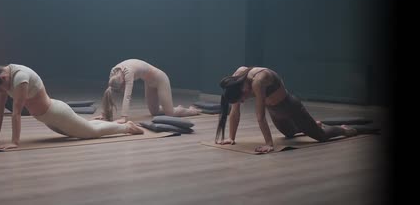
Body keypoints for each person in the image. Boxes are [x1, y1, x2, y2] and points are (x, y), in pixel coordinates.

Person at [0, 64, 144, 150]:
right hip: (48, 118)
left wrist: (14, 142)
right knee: (84, 130)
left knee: (91, 133)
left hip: (57, 114)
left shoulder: (19, 78)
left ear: (2, 79)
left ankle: (126, 127)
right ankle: (106, 122)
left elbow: (16, 113)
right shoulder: (2, 77)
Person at [215, 66, 358, 153]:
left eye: (242, 98)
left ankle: (343, 129)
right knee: (289, 133)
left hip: (290, 107)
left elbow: (260, 116)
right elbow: (235, 112)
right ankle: (313, 125)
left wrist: (269, 145)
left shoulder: (258, 81)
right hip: (274, 111)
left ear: (242, 89)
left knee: (321, 137)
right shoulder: (236, 80)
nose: (243, 101)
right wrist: (231, 138)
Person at [99, 59, 199, 123]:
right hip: (149, 82)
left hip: (160, 79)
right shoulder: (113, 72)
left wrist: (123, 117)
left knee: (170, 114)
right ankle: (174, 108)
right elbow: (108, 92)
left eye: (122, 88)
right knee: (154, 112)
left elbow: (127, 96)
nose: (123, 90)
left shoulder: (128, 73)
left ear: (123, 83)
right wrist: (104, 113)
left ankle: (191, 110)